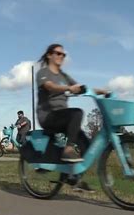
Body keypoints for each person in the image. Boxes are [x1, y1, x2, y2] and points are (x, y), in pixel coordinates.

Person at [36, 44, 107, 192]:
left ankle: (74, 179)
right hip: (48, 116)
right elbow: (49, 86)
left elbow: (81, 87)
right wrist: (68, 88)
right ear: (49, 55)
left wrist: (101, 91)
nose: (61, 56)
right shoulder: (43, 72)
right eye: (58, 53)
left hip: (63, 117)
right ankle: (68, 149)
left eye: (63, 54)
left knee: (87, 146)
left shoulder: (63, 75)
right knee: (77, 113)